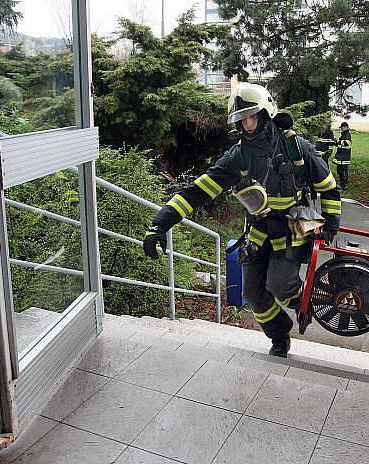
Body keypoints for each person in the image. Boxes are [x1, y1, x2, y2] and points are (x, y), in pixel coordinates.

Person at [142, 83, 341, 357]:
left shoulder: (296, 147)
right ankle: (280, 334)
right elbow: (198, 191)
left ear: (266, 113)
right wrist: (160, 224)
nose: (248, 124)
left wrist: (331, 223)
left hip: (298, 222)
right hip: (260, 230)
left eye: (252, 116)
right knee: (253, 292)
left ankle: (305, 300)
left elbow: (328, 186)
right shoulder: (238, 156)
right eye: (242, 119)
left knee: (280, 284)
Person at [333, 121, 352, 189]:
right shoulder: (345, 134)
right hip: (343, 156)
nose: (341, 129)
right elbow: (342, 144)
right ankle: (344, 182)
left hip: (343, 157)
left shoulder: (347, 135)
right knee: (343, 170)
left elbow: (347, 143)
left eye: (342, 128)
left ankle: (343, 185)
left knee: (341, 171)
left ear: (346, 127)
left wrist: (337, 142)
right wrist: (336, 142)